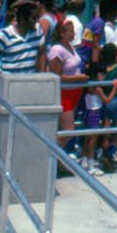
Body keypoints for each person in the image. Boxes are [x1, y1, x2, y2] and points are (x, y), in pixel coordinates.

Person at [48, 18, 88, 153]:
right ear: (62, 33)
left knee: (67, 129)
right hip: (64, 93)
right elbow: (57, 76)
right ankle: (50, 154)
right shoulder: (57, 50)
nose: (73, 35)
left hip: (75, 92)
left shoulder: (71, 47)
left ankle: (58, 160)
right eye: (70, 32)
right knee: (68, 131)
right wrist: (77, 78)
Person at [0, 0, 46, 77]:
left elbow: (42, 53)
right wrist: (0, 76)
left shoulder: (37, 30)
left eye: (38, 18)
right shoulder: (5, 35)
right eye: (34, 19)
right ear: (22, 19)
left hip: (30, 81)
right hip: (10, 82)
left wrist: (41, 76)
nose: (37, 21)